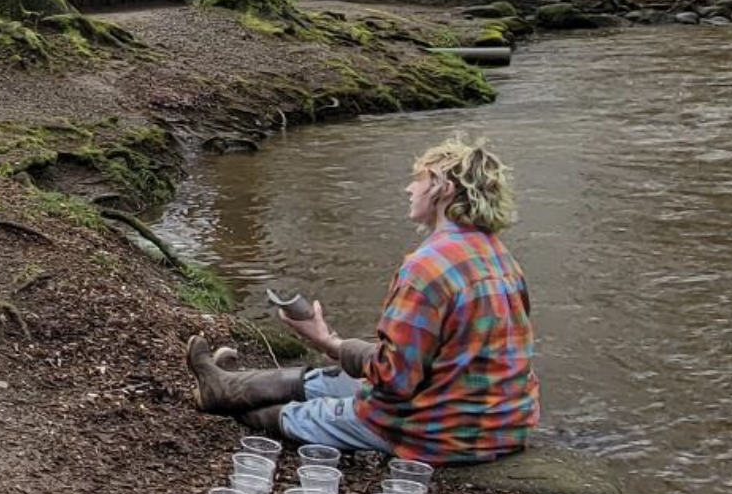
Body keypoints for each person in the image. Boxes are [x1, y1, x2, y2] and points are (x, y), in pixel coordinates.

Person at [186, 137, 539, 464]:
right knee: (335, 380)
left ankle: (229, 403)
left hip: (437, 433)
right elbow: (426, 363)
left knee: (304, 413)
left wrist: (337, 345)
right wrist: (330, 342)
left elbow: (395, 380)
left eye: (419, 179)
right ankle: (225, 386)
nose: (409, 187)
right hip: (505, 426)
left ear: (444, 190)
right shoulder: (502, 257)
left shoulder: (426, 267)